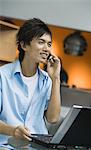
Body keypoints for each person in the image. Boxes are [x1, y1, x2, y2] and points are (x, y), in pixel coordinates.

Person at [0, 18, 61, 146]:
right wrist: (14, 131)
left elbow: (53, 118)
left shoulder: (47, 80)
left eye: (49, 44)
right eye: (41, 42)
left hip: (37, 146)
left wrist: (55, 79)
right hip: (7, 145)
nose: (46, 49)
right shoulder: (3, 75)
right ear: (24, 45)